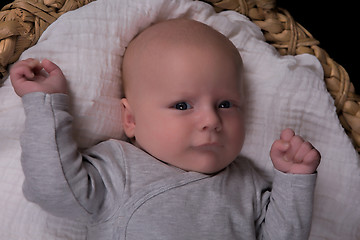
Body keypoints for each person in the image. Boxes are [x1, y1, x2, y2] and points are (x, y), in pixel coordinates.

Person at [10, 19, 320, 239]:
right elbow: (53, 188)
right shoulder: (120, 169)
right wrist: (46, 103)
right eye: (182, 106)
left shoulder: (248, 182)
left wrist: (294, 181)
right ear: (130, 120)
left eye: (225, 104)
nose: (211, 120)